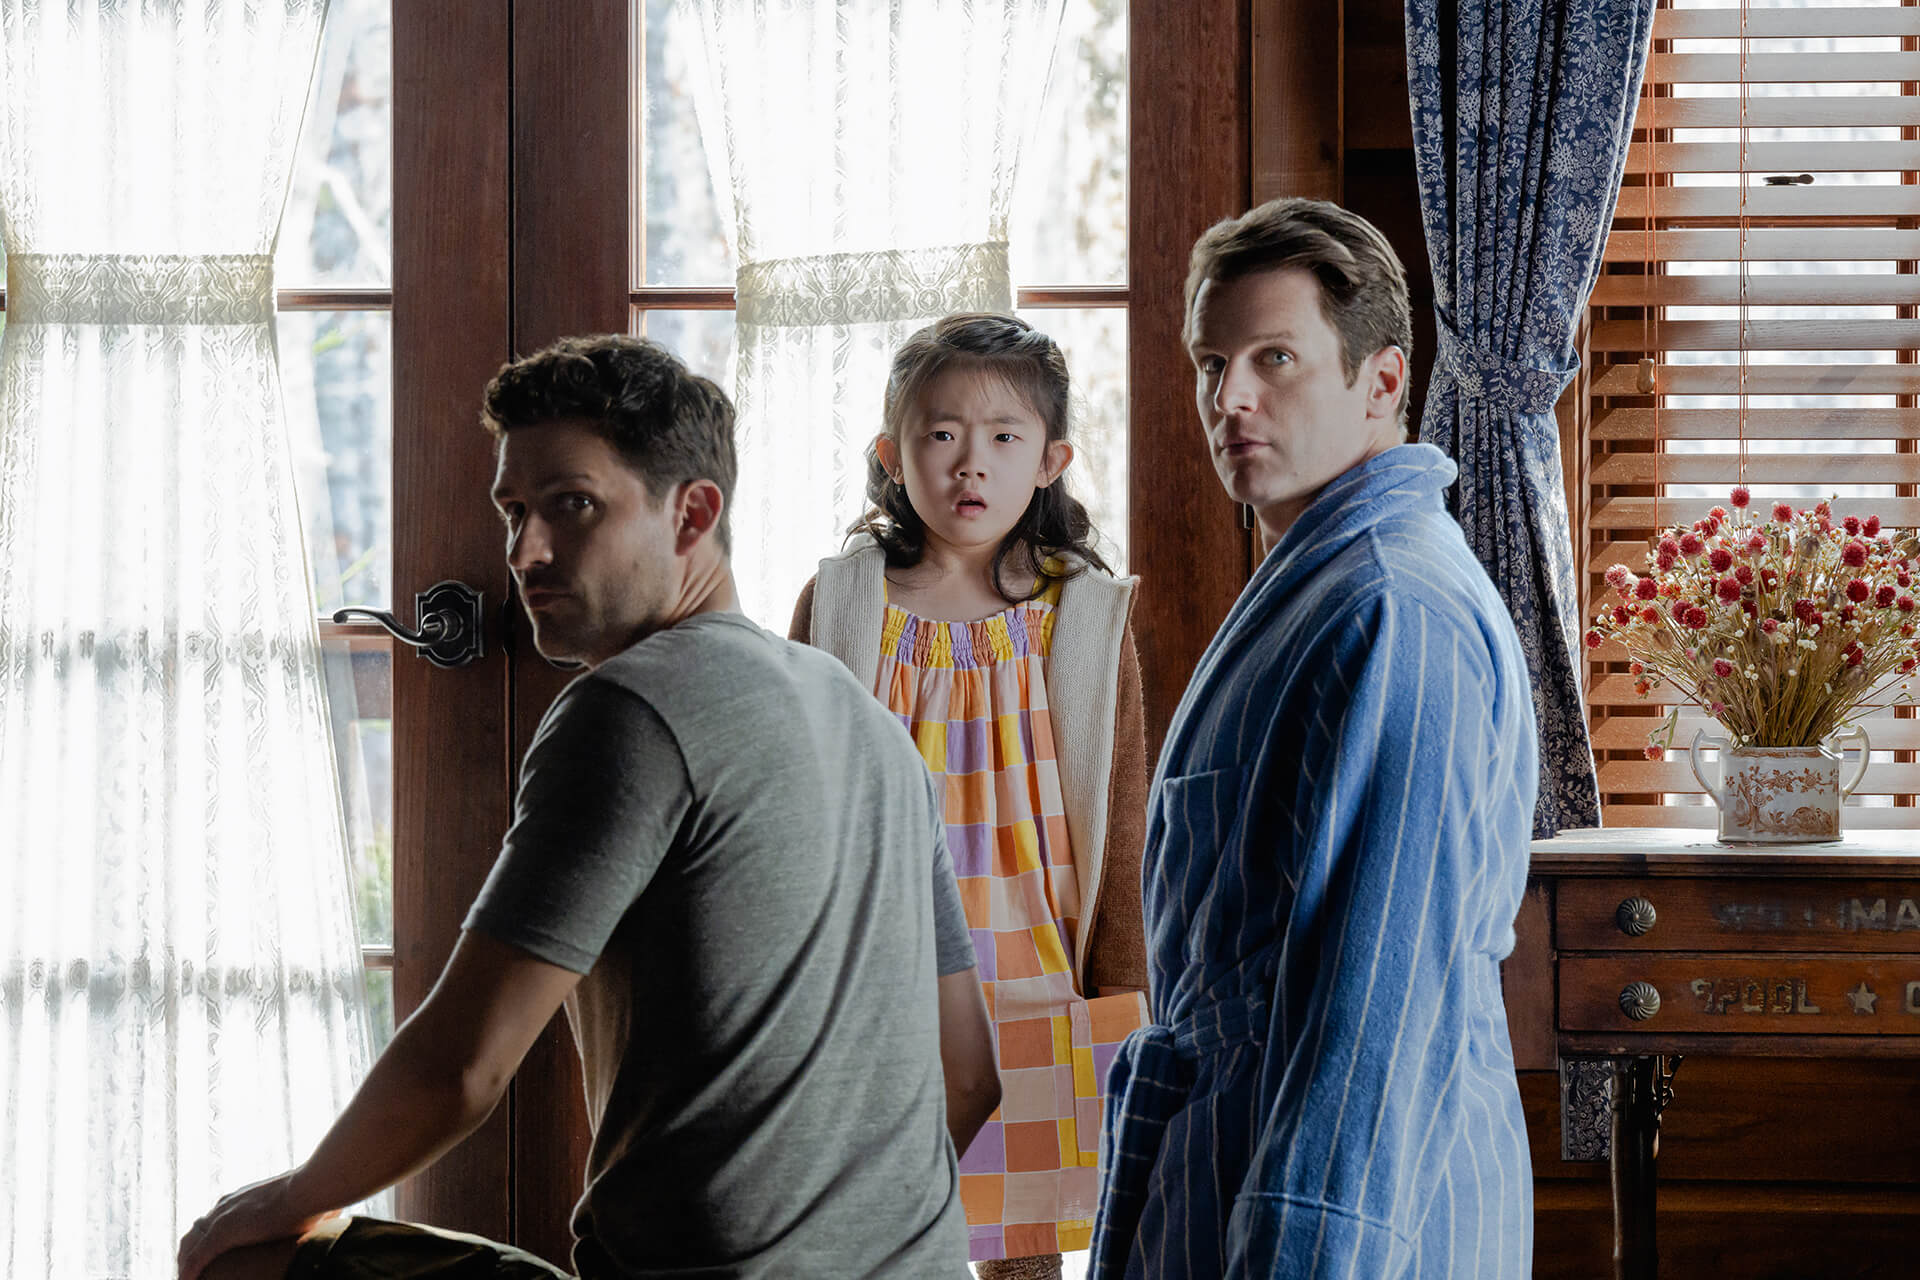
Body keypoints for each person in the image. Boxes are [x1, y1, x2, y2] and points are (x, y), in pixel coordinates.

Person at [177, 334, 998, 1280]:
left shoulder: (633, 708)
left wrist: (281, 1203)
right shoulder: (870, 724)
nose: (525, 551)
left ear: (692, 513)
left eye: (572, 505)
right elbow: (970, 1075)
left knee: (245, 1263)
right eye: (513, 511)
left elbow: (464, 1069)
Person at [1090, 198, 1537, 1279]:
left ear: (1382, 382)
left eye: (1274, 358)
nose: (1229, 398)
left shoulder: (1394, 611)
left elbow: (1379, 1009)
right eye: (1212, 364)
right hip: (1229, 1172)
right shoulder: (1323, 585)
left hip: (1355, 1221)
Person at [789, 313, 1149, 1279]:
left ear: (1051, 461)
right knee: (880, 1238)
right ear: (891, 455)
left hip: (1041, 974)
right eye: (941, 434)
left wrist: (1124, 986)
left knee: (1021, 1248)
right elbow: (797, 802)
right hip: (882, 980)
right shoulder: (841, 606)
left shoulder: (1085, 616)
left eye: (1003, 437)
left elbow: (1123, 818)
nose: (969, 464)